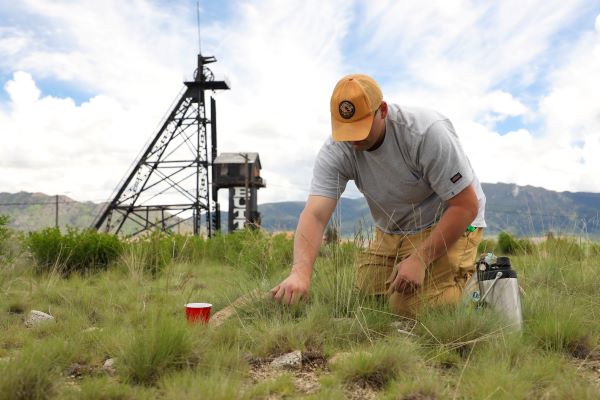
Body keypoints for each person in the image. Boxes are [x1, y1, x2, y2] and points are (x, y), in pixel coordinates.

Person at [270, 74, 486, 317]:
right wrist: (300, 272)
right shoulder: (336, 150)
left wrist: (420, 259)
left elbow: (466, 206)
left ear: (382, 110)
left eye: (361, 127)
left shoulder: (425, 133)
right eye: (345, 129)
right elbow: (315, 215)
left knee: (407, 308)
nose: (353, 138)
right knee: (367, 302)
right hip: (393, 230)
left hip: (450, 220)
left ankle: (484, 286)